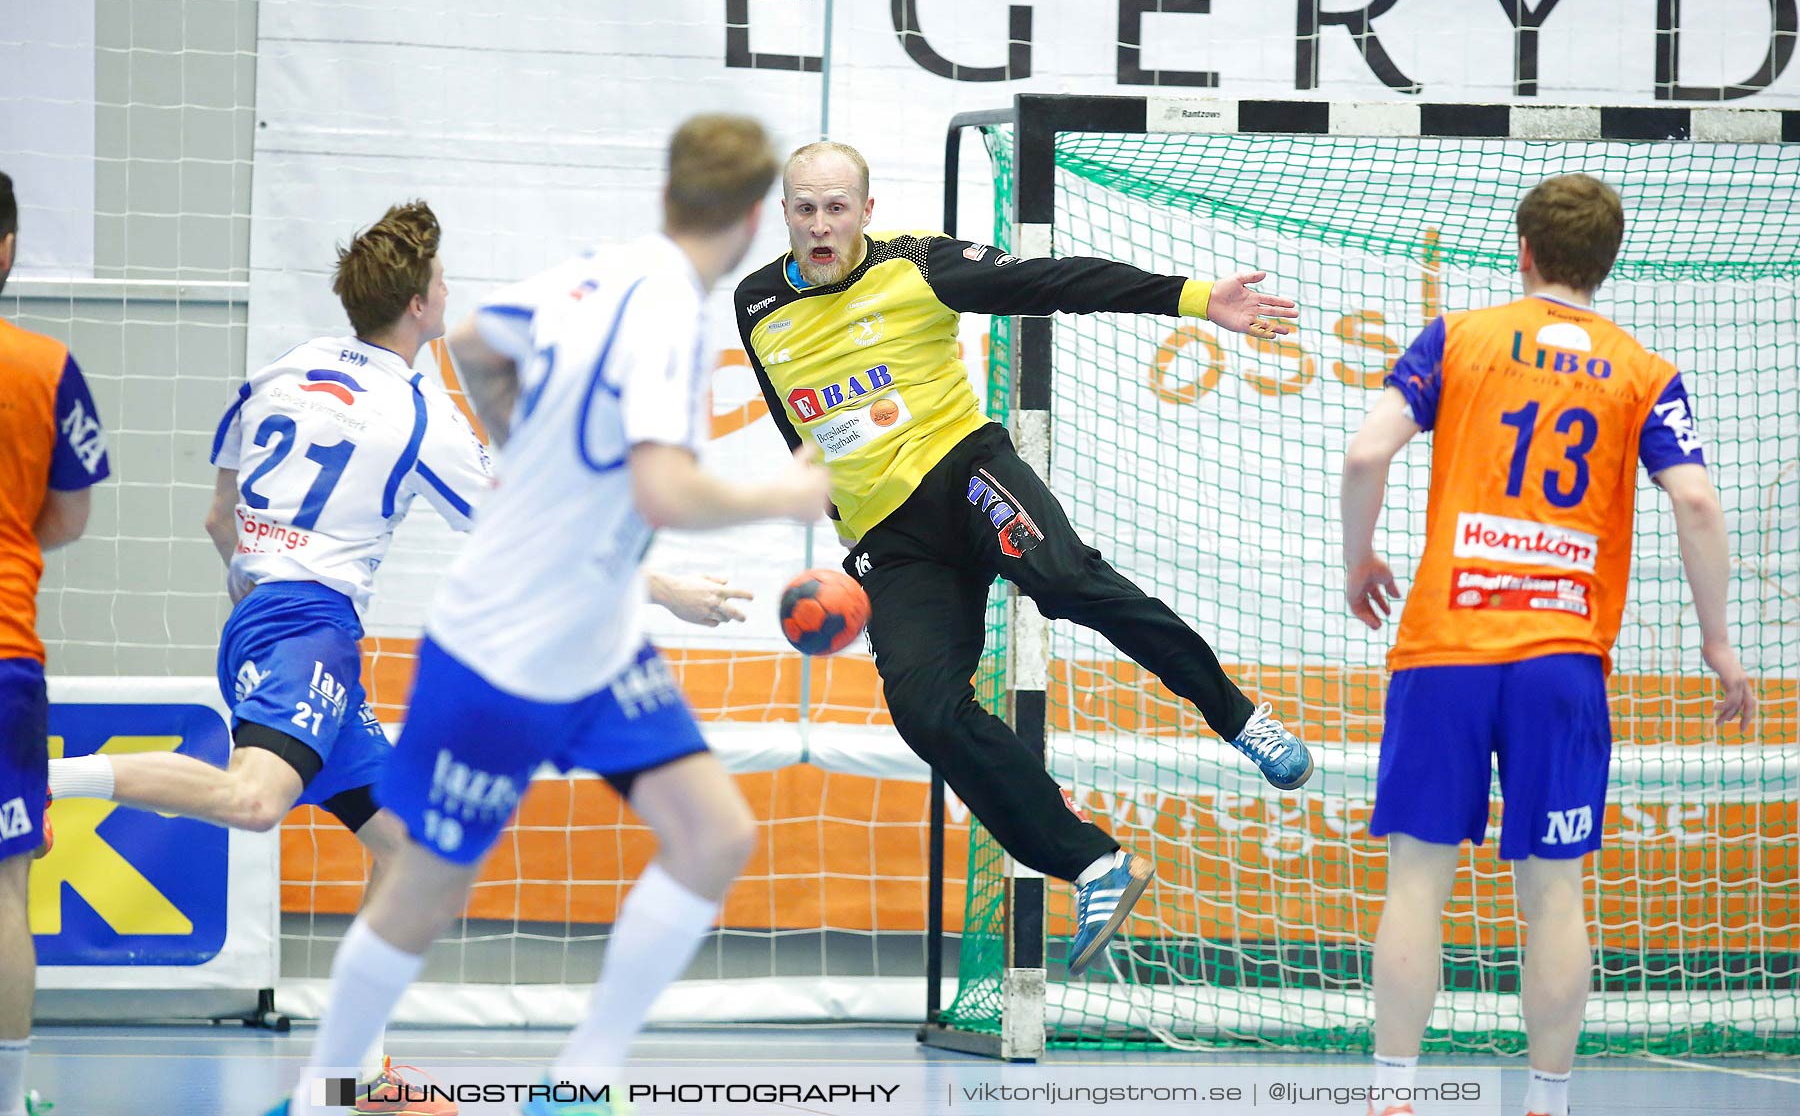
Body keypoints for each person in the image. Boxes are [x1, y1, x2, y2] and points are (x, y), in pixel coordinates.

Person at [264, 114, 829, 1116]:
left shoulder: (597, 272)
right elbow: (663, 493)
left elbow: (479, 346)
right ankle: (325, 1090)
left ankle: (578, 1084)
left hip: (598, 643)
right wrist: (783, 499)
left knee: (711, 836)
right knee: (428, 886)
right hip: (502, 656)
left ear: (671, 194)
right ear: (754, 220)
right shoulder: (665, 314)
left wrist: (524, 448)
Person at [732, 141, 1315, 974]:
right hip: (892, 544)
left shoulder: (918, 265)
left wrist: (1192, 298)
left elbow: (1053, 283)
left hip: (964, 473)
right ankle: (1094, 864)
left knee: (1064, 580)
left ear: (866, 210)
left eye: (836, 208)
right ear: (783, 214)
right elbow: (795, 417)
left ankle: (1240, 718)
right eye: (804, 209)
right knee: (925, 710)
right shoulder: (757, 305)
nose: (820, 226)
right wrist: (839, 518)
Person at [1339, 173, 1756, 1116]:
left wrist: (1360, 560)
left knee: (1417, 880)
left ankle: (1393, 1100)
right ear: (1607, 266)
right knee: (1556, 893)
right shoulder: (1644, 371)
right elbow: (1694, 499)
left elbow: (1368, 453)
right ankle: (1546, 1103)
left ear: (1522, 249)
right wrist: (1719, 643)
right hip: (1562, 660)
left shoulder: (1458, 337)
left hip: (1444, 644)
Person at [0, 169, 110, 1116]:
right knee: (3, 894)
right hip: (4, 651)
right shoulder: (45, 366)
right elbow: (68, 520)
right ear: (6, 250)